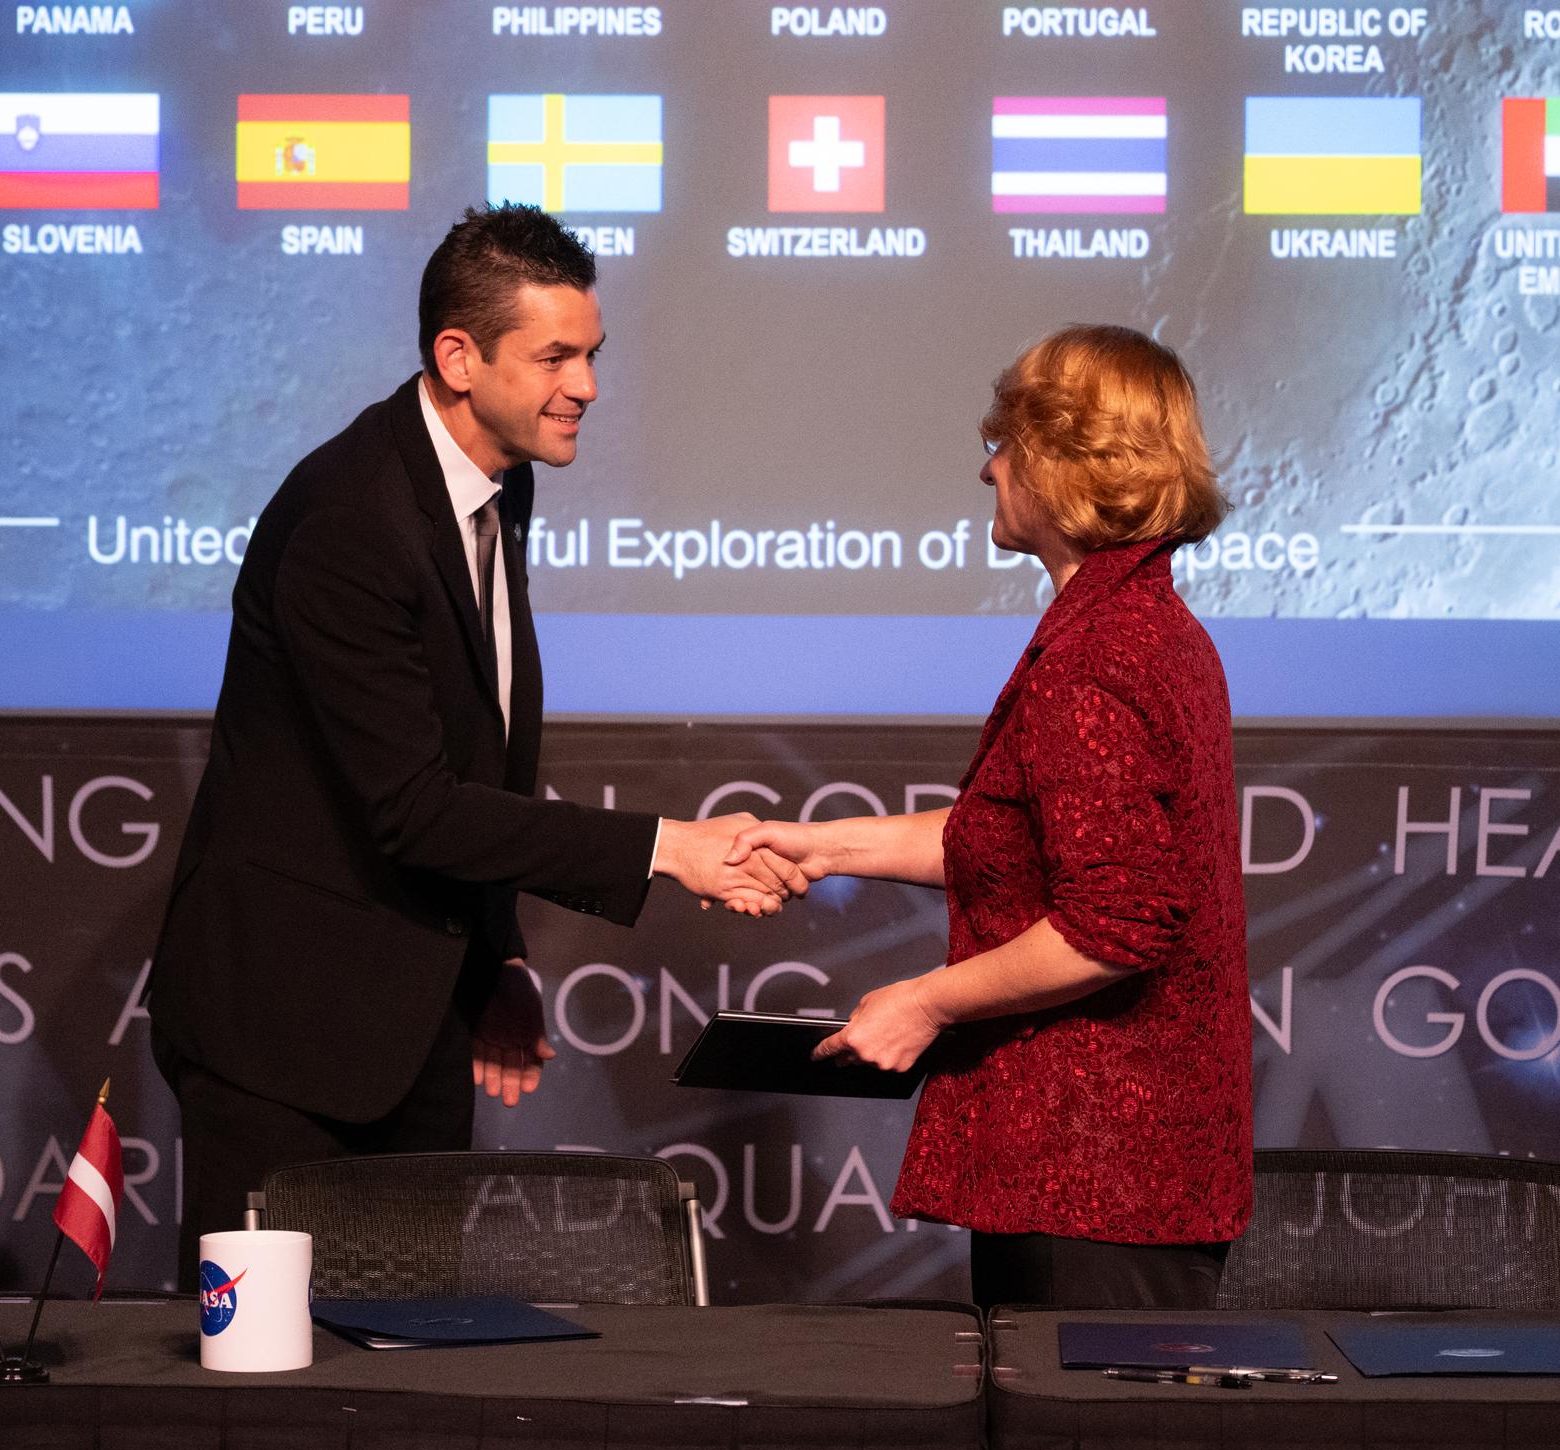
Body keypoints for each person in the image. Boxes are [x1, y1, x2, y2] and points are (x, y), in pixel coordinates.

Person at [146, 204, 798, 1284]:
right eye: (555, 356)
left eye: (591, 354)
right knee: (272, 1390)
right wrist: (669, 848)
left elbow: (481, 746)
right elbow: (413, 803)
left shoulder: (502, 481)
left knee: (409, 1372)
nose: (586, 384)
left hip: (419, 1018)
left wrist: (494, 952)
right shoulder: (351, 521)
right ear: (459, 356)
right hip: (283, 1034)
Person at [727, 325, 1252, 1309]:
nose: (988, 466)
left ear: (1061, 463)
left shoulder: (1099, 654)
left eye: (1007, 444)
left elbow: (1116, 922)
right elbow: (1009, 836)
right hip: (1115, 1175)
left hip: (1094, 1178)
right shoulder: (1140, 626)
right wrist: (823, 844)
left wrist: (925, 1000)